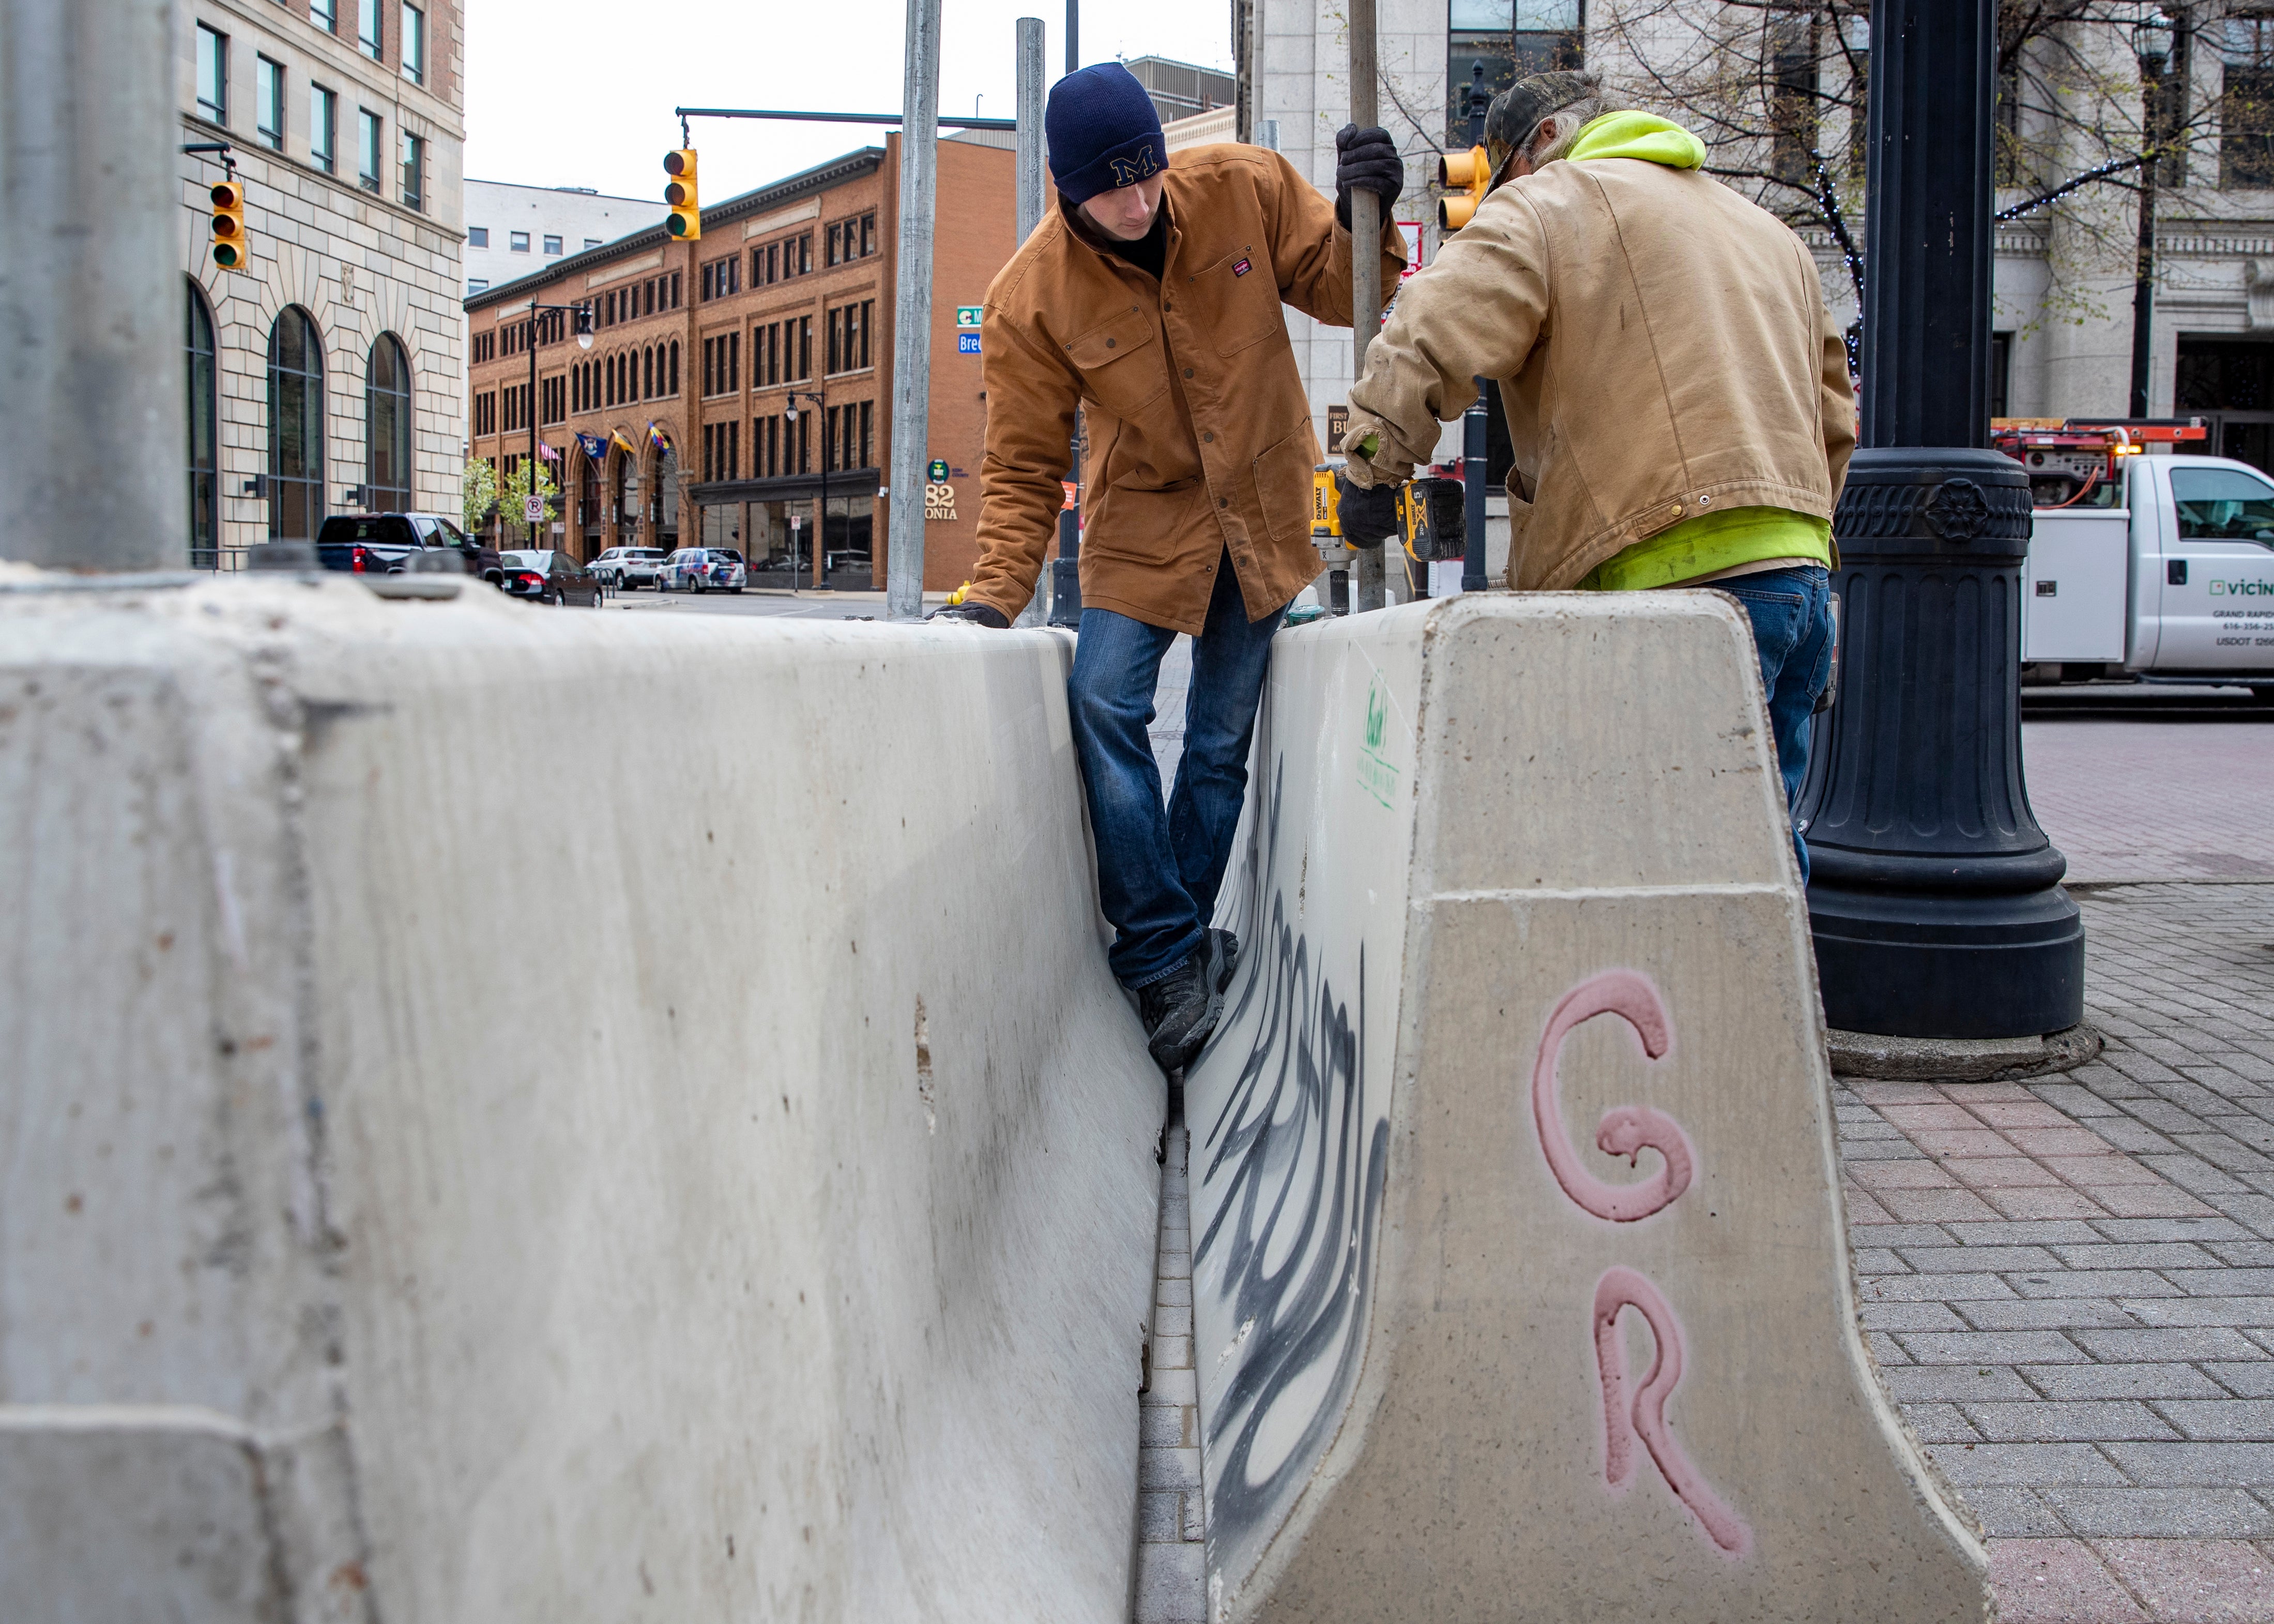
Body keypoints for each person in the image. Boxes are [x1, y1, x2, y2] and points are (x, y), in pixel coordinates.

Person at [932, 62, 1407, 1071]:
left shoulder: (1242, 186)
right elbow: (1019, 466)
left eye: (1149, 173)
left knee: (1221, 741)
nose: (1140, 200)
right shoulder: (1030, 298)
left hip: (1265, 510)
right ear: (1068, 187)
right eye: (1113, 186)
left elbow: (1346, 289)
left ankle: (1171, 953)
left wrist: (1376, 214)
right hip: (1142, 522)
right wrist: (990, 596)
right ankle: (1164, 949)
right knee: (1103, 702)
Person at [1335, 70, 1855, 881]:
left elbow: (1430, 335)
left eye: (1500, 173)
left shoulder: (1550, 205)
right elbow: (1833, 419)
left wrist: (1370, 468)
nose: (1502, 192)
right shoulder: (1770, 235)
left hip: (1665, 582)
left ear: (1544, 142)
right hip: (1797, 580)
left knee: (1646, 866)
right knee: (1762, 866)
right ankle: (1764, 1009)